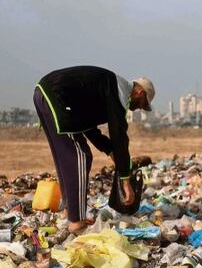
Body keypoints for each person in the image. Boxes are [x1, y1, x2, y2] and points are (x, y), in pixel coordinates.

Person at [33, 66, 155, 233]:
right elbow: (119, 135)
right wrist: (125, 180)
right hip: (56, 96)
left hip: (44, 94)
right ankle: (76, 221)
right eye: (143, 104)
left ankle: (69, 211)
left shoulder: (106, 88)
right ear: (139, 92)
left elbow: (88, 127)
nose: (140, 108)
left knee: (65, 156)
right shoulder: (118, 93)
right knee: (80, 157)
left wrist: (110, 151)